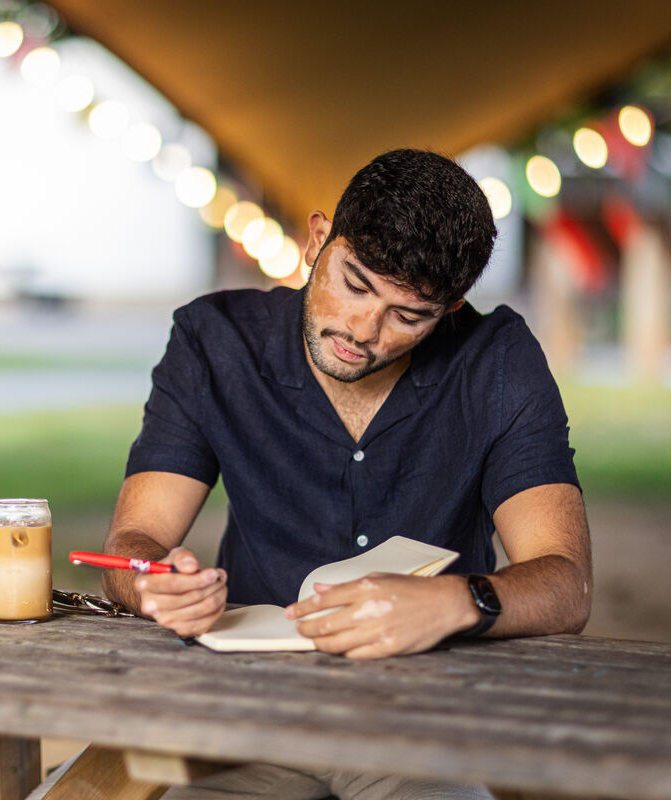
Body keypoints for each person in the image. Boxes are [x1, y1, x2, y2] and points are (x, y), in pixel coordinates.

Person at [100, 149, 591, 799]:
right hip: (250, 718)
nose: (363, 330)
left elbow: (566, 584)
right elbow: (130, 549)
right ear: (315, 240)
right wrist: (154, 587)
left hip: (423, 724)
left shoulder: (496, 360)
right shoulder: (214, 341)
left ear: (448, 311)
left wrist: (453, 602)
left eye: (407, 315)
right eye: (354, 283)